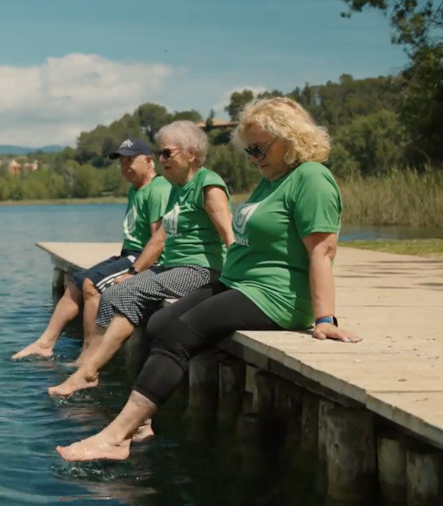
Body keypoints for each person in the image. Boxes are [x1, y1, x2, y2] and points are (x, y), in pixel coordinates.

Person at [56, 97, 361, 462]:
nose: (253, 157)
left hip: (274, 294)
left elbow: (322, 251)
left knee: (179, 334)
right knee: (161, 323)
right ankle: (139, 422)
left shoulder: (311, 177)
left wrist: (324, 318)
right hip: (240, 283)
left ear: (291, 138)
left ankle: (116, 436)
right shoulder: (271, 180)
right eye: (249, 150)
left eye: (260, 147)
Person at [48, 120, 234, 405]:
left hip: (201, 270)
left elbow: (229, 236)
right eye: (159, 154)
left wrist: (237, 282)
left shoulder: (208, 185)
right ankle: (96, 367)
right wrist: (134, 271)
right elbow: (160, 236)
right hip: (173, 266)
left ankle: (89, 371)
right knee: (113, 292)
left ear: (191, 154)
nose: (161, 160)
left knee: (130, 291)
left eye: (166, 153)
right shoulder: (176, 188)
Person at [12, 138, 172, 361]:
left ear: (148, 160)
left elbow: (158, 241)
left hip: (146, 260)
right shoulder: (135, 189)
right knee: (77, 281)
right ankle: (44, 343)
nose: (125, 166)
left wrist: (133, 272)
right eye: (121, 162)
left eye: (130, 160)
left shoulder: (159, 190)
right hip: (129, 253)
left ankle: (88, 354)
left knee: (91, 286)